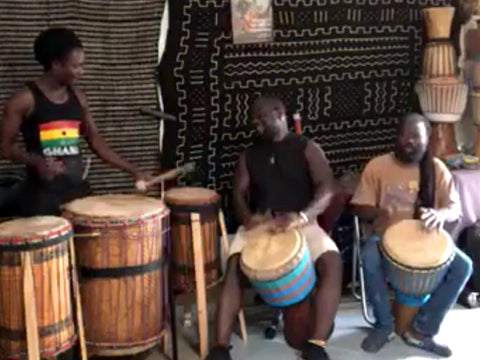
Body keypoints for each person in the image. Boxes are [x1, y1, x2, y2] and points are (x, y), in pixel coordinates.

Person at [206, 97, 343, 360]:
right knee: (234, 268)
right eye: (254, 119)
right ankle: (220, 349)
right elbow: (238, 193)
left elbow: (328, 188)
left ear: (280, 113)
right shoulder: (249, 155)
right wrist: (248, 218)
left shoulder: (307, 148)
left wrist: (301, 216)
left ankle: (316, 344)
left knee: (332, 263)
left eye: (261, 118)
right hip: (262, 225)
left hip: (302, 223)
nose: (256, 124)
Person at [351, 113, 473, 357]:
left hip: (426, 238)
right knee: (369, 255)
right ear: (396, 138)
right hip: (384, 238)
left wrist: (439, 214)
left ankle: (422, 329)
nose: (408, 141)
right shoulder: (378, 166)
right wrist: (378, 211)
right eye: (403, 135)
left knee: (464, 266)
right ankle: (384, 325)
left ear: (427, 138)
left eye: (415, 136)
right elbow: (358, 208)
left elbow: (454, 209)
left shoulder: (436, 169)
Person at [0, 27, 147, 217]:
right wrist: (35, 161)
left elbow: (95, 141)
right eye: (76, 66)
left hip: (77, 193)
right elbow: (5, 147)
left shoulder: (78, 97)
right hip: (41, 197)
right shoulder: (23, 100)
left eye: (82, 65)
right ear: (56, 65)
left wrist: (133, 170)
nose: (81, 72)